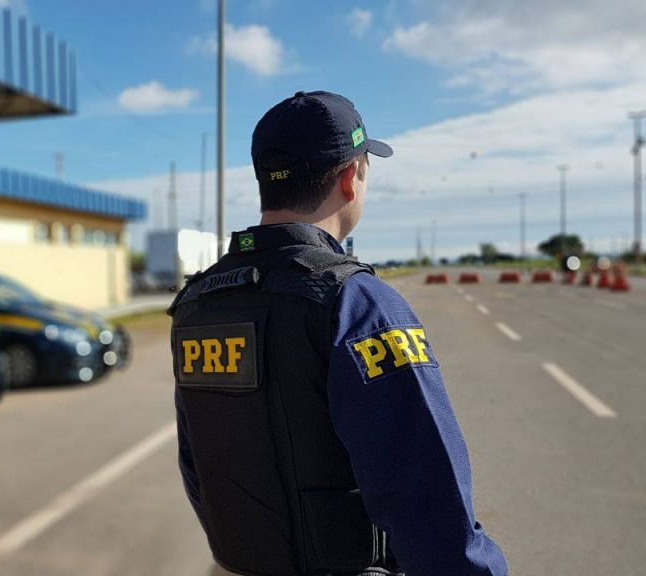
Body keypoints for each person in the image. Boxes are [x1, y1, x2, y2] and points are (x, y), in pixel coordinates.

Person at [168, 91, 508, 576]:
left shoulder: (199, 301)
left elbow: (197, 469)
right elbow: (427, 495)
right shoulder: (356, 301)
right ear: (351, 178)